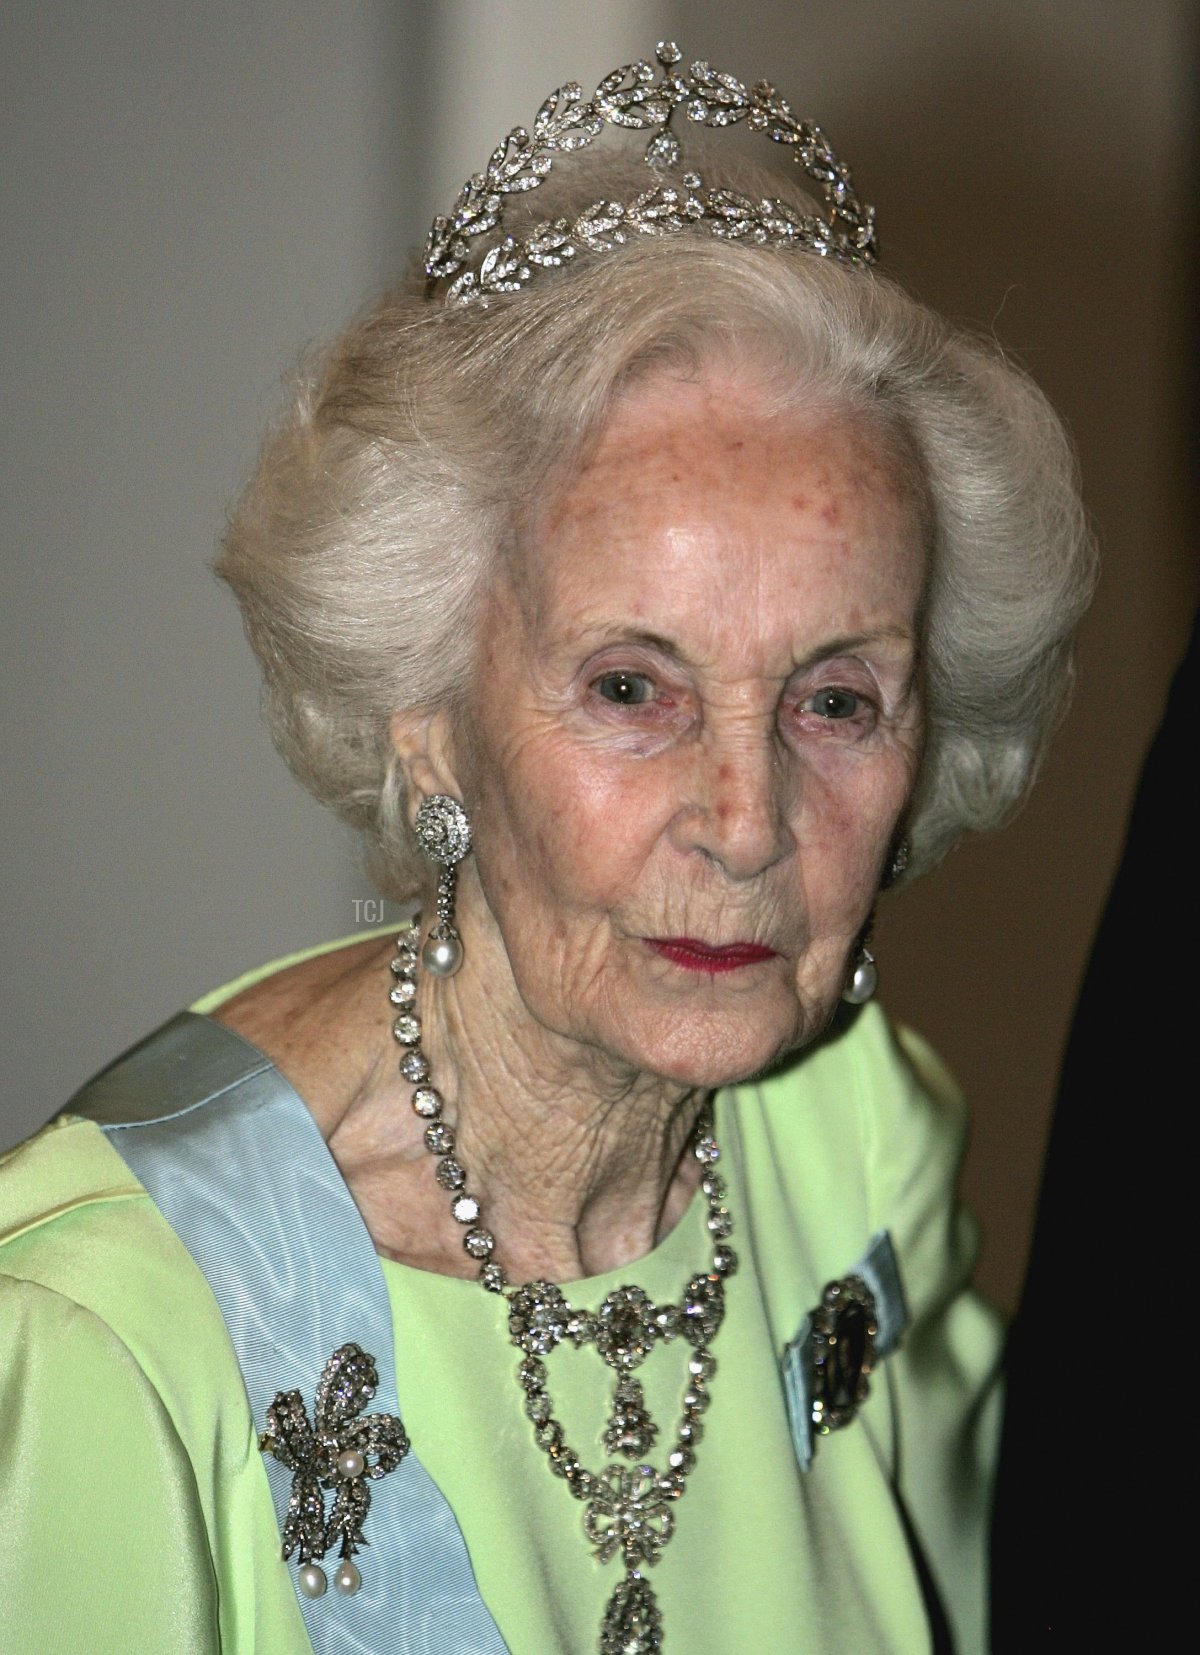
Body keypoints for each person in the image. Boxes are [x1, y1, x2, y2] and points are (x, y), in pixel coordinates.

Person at [0, 43, 1094, 1654]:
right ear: (426, 707)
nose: (745, 825)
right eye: (633, 688)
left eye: (838, 699)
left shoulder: (854, 1140)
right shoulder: (119, 1340)